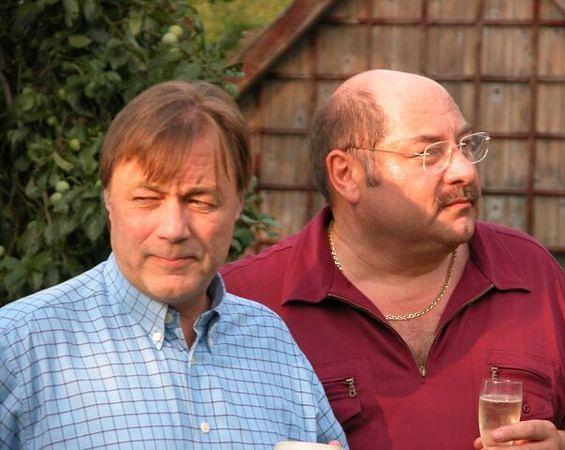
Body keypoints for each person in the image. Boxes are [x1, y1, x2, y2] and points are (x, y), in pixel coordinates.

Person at [221, 70, 565, 450]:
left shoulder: (528, 271)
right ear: (346, 174)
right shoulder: (245, 299)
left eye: (465, 145)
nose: (465, 170)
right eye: (429, 153)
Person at [0, 81, 347, 449]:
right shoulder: (19, 345)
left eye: (200, 201)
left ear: (238, 203)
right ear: (107, 198)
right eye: (147, 199)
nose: (173, 229)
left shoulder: (272, 342)